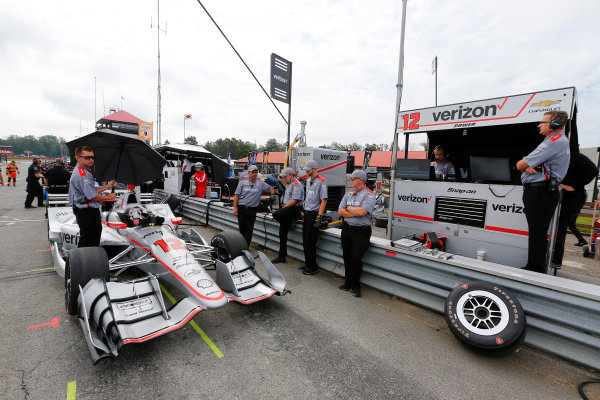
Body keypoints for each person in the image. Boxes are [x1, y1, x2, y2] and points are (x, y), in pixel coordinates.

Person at [516, 111, 570, 274]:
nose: (539, 125)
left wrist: (525, 164)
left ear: (554, 124)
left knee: (537, 232)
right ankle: (535, 267)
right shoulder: (557, 141)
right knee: (537, 232)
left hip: (541, 192)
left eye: (543, 122)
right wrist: (527, 165)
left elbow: (519, 164)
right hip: (543, 191)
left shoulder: (553, 141)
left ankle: (535, 269)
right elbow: (525, 164)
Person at [551, 152, 598, 269]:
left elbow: (593, 170)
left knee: (561, 227)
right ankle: (553, 259)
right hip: (564, 195)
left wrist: (574, 186)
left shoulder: (572, 155)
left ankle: (556, 261)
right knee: (558, 227)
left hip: (573, 198)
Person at [337, 170, 376, 297]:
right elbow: (340, 211)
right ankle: (347, 282)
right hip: (347, 229)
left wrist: (348, 208)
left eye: (353, 179)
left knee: (356, 259)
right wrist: (352, 211)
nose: (351, 181)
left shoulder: (369, 195)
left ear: (360, 180)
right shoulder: (349, 193)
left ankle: (355, 285)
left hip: (361, 231)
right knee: (347, 257)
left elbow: (362, 213)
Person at [69, 146, 117, 247]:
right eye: (87, 157)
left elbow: (90, 191)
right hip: (87, 212)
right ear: (77, 157)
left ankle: (85, 260)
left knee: (88, 238)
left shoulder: (83, 171)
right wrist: (109, 197)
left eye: (92, 157)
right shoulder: (83, 174)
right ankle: (85, 261)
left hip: (84, 211)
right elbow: (93, 197)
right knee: (90, 241)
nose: (91, 160)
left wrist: (108, 186)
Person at [233, 165, 275, 246]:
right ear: (249, 173)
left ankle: (246, 247)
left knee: (249, 230)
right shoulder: (242, 182)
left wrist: (274, 190)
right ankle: (240, 246)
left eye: (256, 172)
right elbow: (236, 196)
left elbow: (271, 189)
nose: (254, 174)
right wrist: (235, 208)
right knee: (242, 229)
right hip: (242, 208)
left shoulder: (261, 183)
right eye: (253, 172)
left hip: (252, 209)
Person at [271, 168, 304, 264]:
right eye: (283, 177)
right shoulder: (289, 183)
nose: (284, 178)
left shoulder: (296, 184)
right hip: (288, 209)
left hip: (293, 209)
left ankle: (291, 221)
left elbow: (294, 200)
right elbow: (278, 179)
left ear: (291, 175)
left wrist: (283, 208)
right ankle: (282, 256)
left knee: (276, 214)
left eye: (285, 176)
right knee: (282, 235)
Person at [301, 160, 328, 275]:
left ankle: (312, 267)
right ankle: (307, 264)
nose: (306, 171)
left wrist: (319, 216)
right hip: (306, 213)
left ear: (314, 169)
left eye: (308, 169)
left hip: (314, 215)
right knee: (305, 241)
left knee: (310, 242)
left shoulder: (322, 182)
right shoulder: (308, 180)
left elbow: (324, 200)